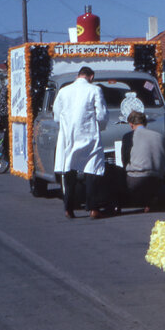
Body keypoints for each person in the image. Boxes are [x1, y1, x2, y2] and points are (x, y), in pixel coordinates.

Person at [53, 66, 108, 219]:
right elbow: (102, 115)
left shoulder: (64, 91)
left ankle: (68, 208)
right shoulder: (95, 90)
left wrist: (65, 125)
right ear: (91, 77)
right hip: (88, 133)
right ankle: (93, 208)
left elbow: (56, 115)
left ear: (78, 75)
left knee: (69, 170)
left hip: (69, 135)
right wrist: (101, 127)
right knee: (92, 169)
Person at [123, 111, 165, 212]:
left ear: (131, 124)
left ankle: (115, 205)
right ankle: (151, 201)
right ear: (145, 123)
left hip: (136, 179)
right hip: (157, 179)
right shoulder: (160, 136)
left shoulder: (128, 136)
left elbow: (125, 159)